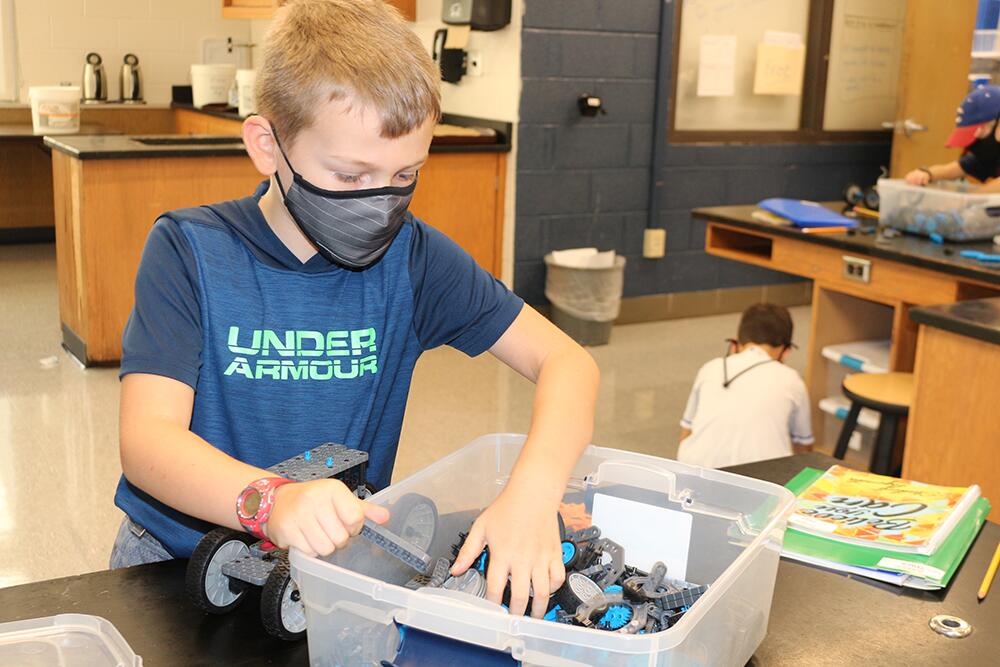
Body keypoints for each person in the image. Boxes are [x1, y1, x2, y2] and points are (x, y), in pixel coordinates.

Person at [110, 0, 599, 620]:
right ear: (267, 145)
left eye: (405, 175)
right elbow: (148, 442)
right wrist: (272, 501)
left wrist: (531, 493)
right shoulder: (190, 250)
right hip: (173, 564)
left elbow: (568, 363)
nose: (380, 203)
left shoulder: (414, 260)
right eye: (349, 177)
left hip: (328, 575)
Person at [677, 304, 813, 469]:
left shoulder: (710, 368)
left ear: (735, 344)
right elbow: (804, 450)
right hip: (762, 477)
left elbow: (686, 432)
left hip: (696, 472)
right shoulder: (792, 380)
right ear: (786, 351)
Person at [904, 84, 1000, 192]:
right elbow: (954, 169)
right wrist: (927, 173)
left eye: (980, 132)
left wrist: (973, 198)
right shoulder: (987, 154)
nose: (976, 141)